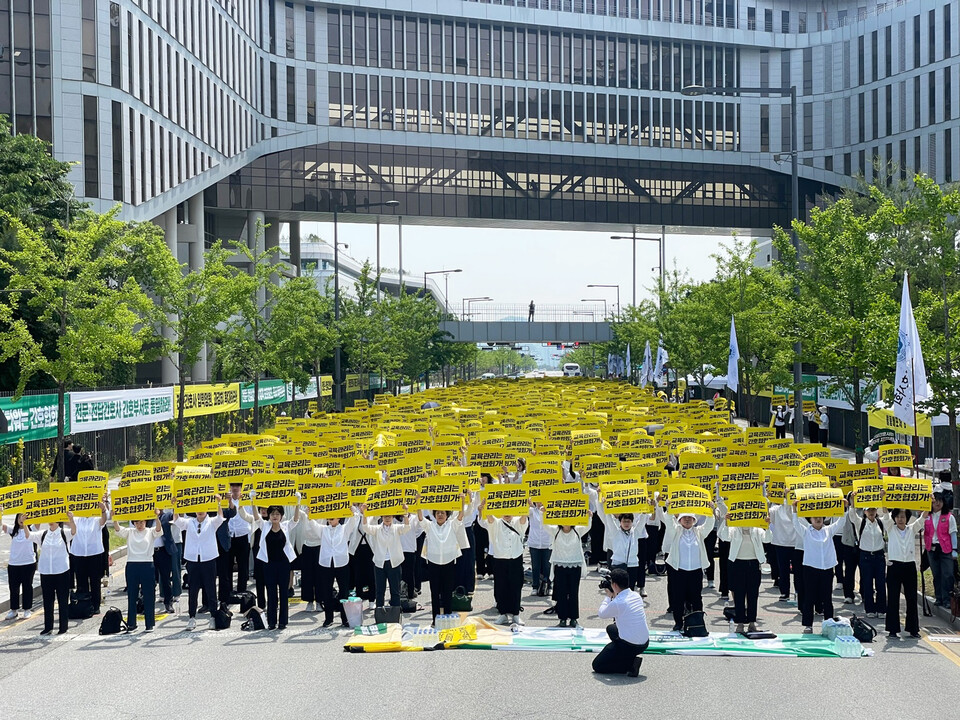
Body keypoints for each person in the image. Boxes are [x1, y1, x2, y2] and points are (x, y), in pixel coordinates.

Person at [792, 499, 848, 633]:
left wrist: (845, 508)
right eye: (814, 517)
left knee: (827, 598)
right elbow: (795, 523)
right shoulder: (806, 532)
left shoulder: (829, 530)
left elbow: (841, 522)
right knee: (809, 597)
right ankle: (808, 625)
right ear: (810, 519)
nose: (818, 519)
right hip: (810, 568)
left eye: (820, 517)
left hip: (827, 568)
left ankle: (828, 624)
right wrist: (794, 510)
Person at [172, 499, 225, 631]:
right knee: (193, 590)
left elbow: (220, 518)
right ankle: (191, 617)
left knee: (211, 589)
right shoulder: (190, 522)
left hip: (208, 559)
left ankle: (213, 616)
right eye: (198, 509)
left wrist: (218, 503)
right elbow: (177, 521)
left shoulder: (212, 522)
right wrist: (175, 506)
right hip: (193, 560)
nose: (200, 511)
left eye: (203, 508)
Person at [663, 502, 716, 631]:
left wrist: (711, 510)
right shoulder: (676, 530)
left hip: (695, 570)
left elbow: (709, 524)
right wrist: (669, 507)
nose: (687, 520)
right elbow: (669, 521)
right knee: (678, 597)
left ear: (694, 520)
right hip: (679, 570)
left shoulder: (699, 531)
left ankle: (698, 621)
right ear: (680, 520)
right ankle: (678, 622)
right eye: (684, 518)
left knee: (696, 597)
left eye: (690, 518)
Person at [253, 499, 301, 631]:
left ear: (281, 516)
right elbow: (256, 518)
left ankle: (283, 622)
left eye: (277, 514)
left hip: (283, 564)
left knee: (284, 594)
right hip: (269, 565)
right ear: (269, 515)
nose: (275, 516)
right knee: (271, 593)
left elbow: (295, 520)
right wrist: (253, 502)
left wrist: (297, 503)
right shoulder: (265, 526)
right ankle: (272, 622)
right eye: (272, 514)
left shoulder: (285, 526)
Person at [592, 567, 649, 678]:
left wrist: (608, 597)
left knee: (597, 665)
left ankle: (630, 664)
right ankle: (626, 656)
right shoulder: (636, 596)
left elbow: (602, 614)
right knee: (611, 628)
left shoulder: (618, 602)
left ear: (615, 585)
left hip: (630, 645)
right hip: (644, 642)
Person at [417, 500, 467, 625]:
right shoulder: (430, 526)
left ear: (447, 515)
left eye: (443, 513)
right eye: (438, 513)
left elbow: (461, 515)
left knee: (447, 593)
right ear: (434, 515)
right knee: (434, 593)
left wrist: (463, 501)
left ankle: (448, 619)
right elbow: (420, 518)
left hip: (449, 562)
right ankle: (435, 620)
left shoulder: (451, 524)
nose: (440, 515)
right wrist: (418, 501)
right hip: (433, 563)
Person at [112, 510, 163, 632]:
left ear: (145, 522)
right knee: (132, 595)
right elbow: (118, 529)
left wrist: (156, 517)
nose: (140, 525)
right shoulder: (130, 532)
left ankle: (149, 623)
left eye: (142, 522)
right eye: (137, 523)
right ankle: (132, 623)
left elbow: (159, 530)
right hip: (132, 564)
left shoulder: (150, 531)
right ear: (133, 523)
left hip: (147, 564)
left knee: (149, 595)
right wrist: (115, 517)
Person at [718, 515, 767, 634]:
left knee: (753, 594)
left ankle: (751, 623)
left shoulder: (757, 529)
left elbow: (768, 539)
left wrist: (768, 526)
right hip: (737, 563)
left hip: (754, 564)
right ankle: (739, 623)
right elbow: (723, 536)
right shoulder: (734, 528)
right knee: (739, 594)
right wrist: (726, 521)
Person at [883, 507, 927, 639]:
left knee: (912, 598)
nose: (900, 519)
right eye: (897, 516)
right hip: (894, 566)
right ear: (894, 518)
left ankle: (913, 629)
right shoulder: (890, 528)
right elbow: (885, 515)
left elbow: (922, 518)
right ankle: (892, 629)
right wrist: (884, 499)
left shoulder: (912, 529)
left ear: (907, 518)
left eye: (903, 516)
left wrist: (928, 503)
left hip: (909, 566)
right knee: (893, 598)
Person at [359, 507, 415, 609]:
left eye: (389, 516)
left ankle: (395, 614)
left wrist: (406, 513)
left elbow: (407, 527)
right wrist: (365, 514)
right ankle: (380, 614)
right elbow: (366, 527)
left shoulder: (397, 528)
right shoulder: (377, 529)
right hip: (380, 563)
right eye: (385, 517)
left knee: (395, 591)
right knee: (380, 591)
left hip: (394, 562)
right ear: (382, 517)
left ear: (393, 517)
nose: (387, 519)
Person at [32, 515, 78, 635]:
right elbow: (29, 536)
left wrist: (71, 520)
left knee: (62, 599)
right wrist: (26, 523)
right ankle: (48, 627)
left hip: (61, 571)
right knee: (48, 601)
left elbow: (74, 531)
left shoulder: (63, 533)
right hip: (46, 571)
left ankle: (63, 626)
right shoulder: (43, 534)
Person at [315, 511, 361, 627]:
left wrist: (350, 508)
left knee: (344, 591)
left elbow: (354, 519)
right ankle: (328, 618)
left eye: (333, 518)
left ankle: (344, 618)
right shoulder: (324, 529)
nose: (330, 520)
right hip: (326, 563)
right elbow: (311, 524)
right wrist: (309, 514)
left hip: (341, 562)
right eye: (329, 518)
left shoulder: (344, 529)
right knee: (327, 591)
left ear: (339, 518)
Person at [485, 510, 528, 625]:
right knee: (501, 586)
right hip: (500, 559)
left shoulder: (517, 521)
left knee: (516, 586)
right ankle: (503, 614)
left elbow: (524, 521)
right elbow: (490, 520)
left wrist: (525, 507)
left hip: (516, 558)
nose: (507, 513)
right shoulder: (497, 522)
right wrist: (485, 508)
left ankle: (516, 614)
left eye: (509, 511)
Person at [848, 496, 886, 618]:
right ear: (864, 511)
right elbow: (852, 516)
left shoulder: (881, 522)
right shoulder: (861, 523)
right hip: (865, 557)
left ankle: (881, 609)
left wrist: (883, 498)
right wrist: (853, 501)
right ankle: (870, 609)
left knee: (880, 584)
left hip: (879, 557)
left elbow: (889, 517)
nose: (871, 512)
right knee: (868, 584)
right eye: (869, 510)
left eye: (873, 510)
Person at [69, 497, 108, 614]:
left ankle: (96, 605)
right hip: (79, 553)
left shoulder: (95, 519)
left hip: (94, 553)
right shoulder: (77, 519)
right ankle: (84, 603)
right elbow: (67, 523)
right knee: (81, 580)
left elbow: (103, 521)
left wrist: (103, 510)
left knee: (95, 581)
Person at [549, 519, 590, 627]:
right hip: (560, 564)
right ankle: (562, 618)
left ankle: (573, 618)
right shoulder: (555, 530)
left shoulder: (578, 530)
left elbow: (588, 526)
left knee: (573, 593)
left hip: (575, 565)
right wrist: (542, 513)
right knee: (561, 593)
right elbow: (545, 526)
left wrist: (589, 516)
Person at [924, 490, 957, 608]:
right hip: (932, 549)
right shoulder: (926, 516)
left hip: (946, 549)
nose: (937, 503)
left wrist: (955, 550)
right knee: (936, 574)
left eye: (939, 501)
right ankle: (939, 598)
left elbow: (953, 533)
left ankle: (947, 599)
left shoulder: (949, 517)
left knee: (947, 574)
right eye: (934, 501)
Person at [1, 508, 36, 620]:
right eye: (20, 516)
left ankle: (27, 609)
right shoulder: (13, 530)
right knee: (14, 587)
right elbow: (2, 525)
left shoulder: (33, 529)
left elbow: (39, 521)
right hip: (14, 564)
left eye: (24, 516)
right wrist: (1, 513)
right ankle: (14, 610)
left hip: (28, 563)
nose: (22, 519)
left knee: (27, 586)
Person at [213, 485, 240, 605]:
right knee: (210, 575)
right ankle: (207, 602)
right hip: (208, 543)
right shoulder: (205, 508)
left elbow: (232, 512)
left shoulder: (223, 506)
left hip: (223, 542)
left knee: (224, 573)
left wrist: (229, 500)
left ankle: (224, 598)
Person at [225, 482, 251, 596]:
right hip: (229, 535)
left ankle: (242, 590)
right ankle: (229, 590)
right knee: (228, 565)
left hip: (243, 534)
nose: (235, 488)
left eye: (237, 486)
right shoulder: (225, 500)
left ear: (241, 488)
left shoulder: (247, 500)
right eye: (233, 486)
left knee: (243, 565)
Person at [153, 509, 182, 614]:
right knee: (149, 579)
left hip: (163, 551)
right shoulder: (145, 518)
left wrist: (175, 505)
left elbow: (175, 517)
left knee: (165, 578)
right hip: (149, 552)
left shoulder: (166, 516)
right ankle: (146, 603)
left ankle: (168, 603)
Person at [767, 499, 797, 602]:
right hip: (781, 543)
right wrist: (764, 492)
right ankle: (785, 592)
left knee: (798, 570)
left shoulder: (797, 508)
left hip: (796, 543)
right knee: (783, 570)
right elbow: (764, 510)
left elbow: (790, 513)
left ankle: (798, 590)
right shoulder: (776, 509)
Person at [526, 501, 552, 596]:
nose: (539, 503)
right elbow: (523, 511)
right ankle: (535, 586)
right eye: (537, 501)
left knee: (547, 566)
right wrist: (528, 502)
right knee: (535, 566)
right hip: (534, 543)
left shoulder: (550, 510)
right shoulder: (532, 511)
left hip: (547, 542)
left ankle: (549, 586)